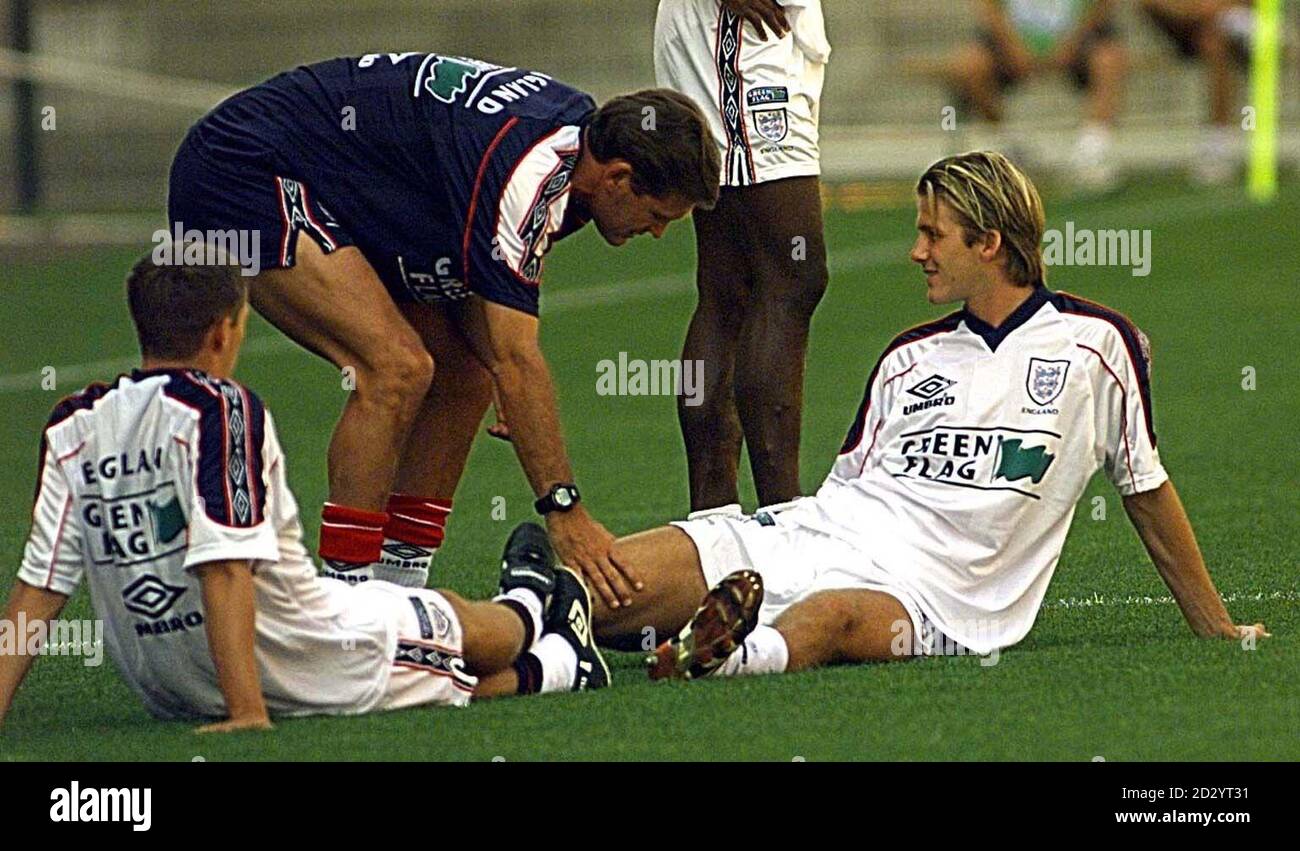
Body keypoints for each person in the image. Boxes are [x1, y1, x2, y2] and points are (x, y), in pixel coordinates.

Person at [589, 151, 1269, 680]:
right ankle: (533, 634)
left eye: (932, 234)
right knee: (604, 582)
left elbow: (1145, 488)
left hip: (933, 598)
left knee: (829, 615)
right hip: (816, 536)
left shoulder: (1098, 346)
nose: (916, 251)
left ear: (989, 243)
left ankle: (726, 655)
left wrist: (1216, 624)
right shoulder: (908, 357)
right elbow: (841, 497)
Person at [168, 53, 720, 610]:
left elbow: (496, 322)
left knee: (467, 378)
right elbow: (518, 357)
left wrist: (505, 368)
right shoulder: (530, 174)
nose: (655, 233)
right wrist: (564, 509)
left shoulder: (577, 149)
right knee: (396, 369)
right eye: (659, 215)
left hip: (350, 183)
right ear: (620, 178)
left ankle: (401, 597)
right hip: (242, 167)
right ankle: (346, 608)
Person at [0, 251, 608, 734]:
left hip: (168, 685)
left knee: (417, 649)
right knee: (453, 629)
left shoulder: (71, 424)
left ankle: (540, 620)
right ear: (224, 332)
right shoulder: (220, 410)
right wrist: (247, 712)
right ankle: (540, 626)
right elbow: (226, 567)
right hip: (303, 650)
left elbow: (38, 588)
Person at [653, 0, 832, 511]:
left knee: (732, 288)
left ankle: (715, 515)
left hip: (742, 37)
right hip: (735, 38)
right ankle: (782, 511)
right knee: (793, 276)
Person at [942, 1, 1128, 190]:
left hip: (1078, 40)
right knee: (969, 65)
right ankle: (1003, 143)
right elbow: (988, 8)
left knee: (1109, 59)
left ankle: (1093, 149)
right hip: (1010, 42)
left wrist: (1072, 43)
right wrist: (1012, 45)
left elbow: (1104, 5)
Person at [1141, 0, 1257, 184]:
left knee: (1214, 42)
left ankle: (1217, 143)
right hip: (1185, 26)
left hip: (1224, 24)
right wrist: (1195, 9)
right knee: (1213, 37)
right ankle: (1216, 145)